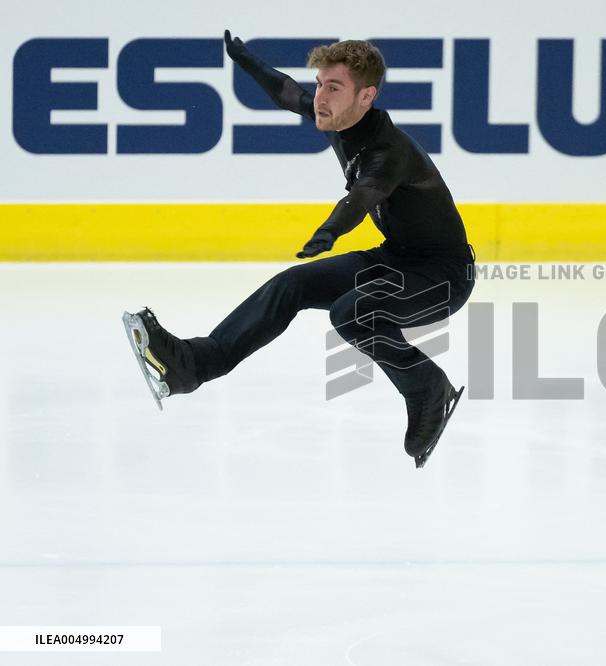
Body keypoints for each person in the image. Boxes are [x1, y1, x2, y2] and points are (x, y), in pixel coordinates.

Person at [122, 31, 476, 468]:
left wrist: (330, 231)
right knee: (291, 286)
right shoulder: (339, 119)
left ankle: (427, 387)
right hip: (396, 260)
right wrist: (246, 59)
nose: (320, 97)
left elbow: (361, 197)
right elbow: (286, 92)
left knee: (351, 312)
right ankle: (196, 364)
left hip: (443, 277)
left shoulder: (389, 150)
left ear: (366, 96)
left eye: (333, 87)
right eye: (321, 84)